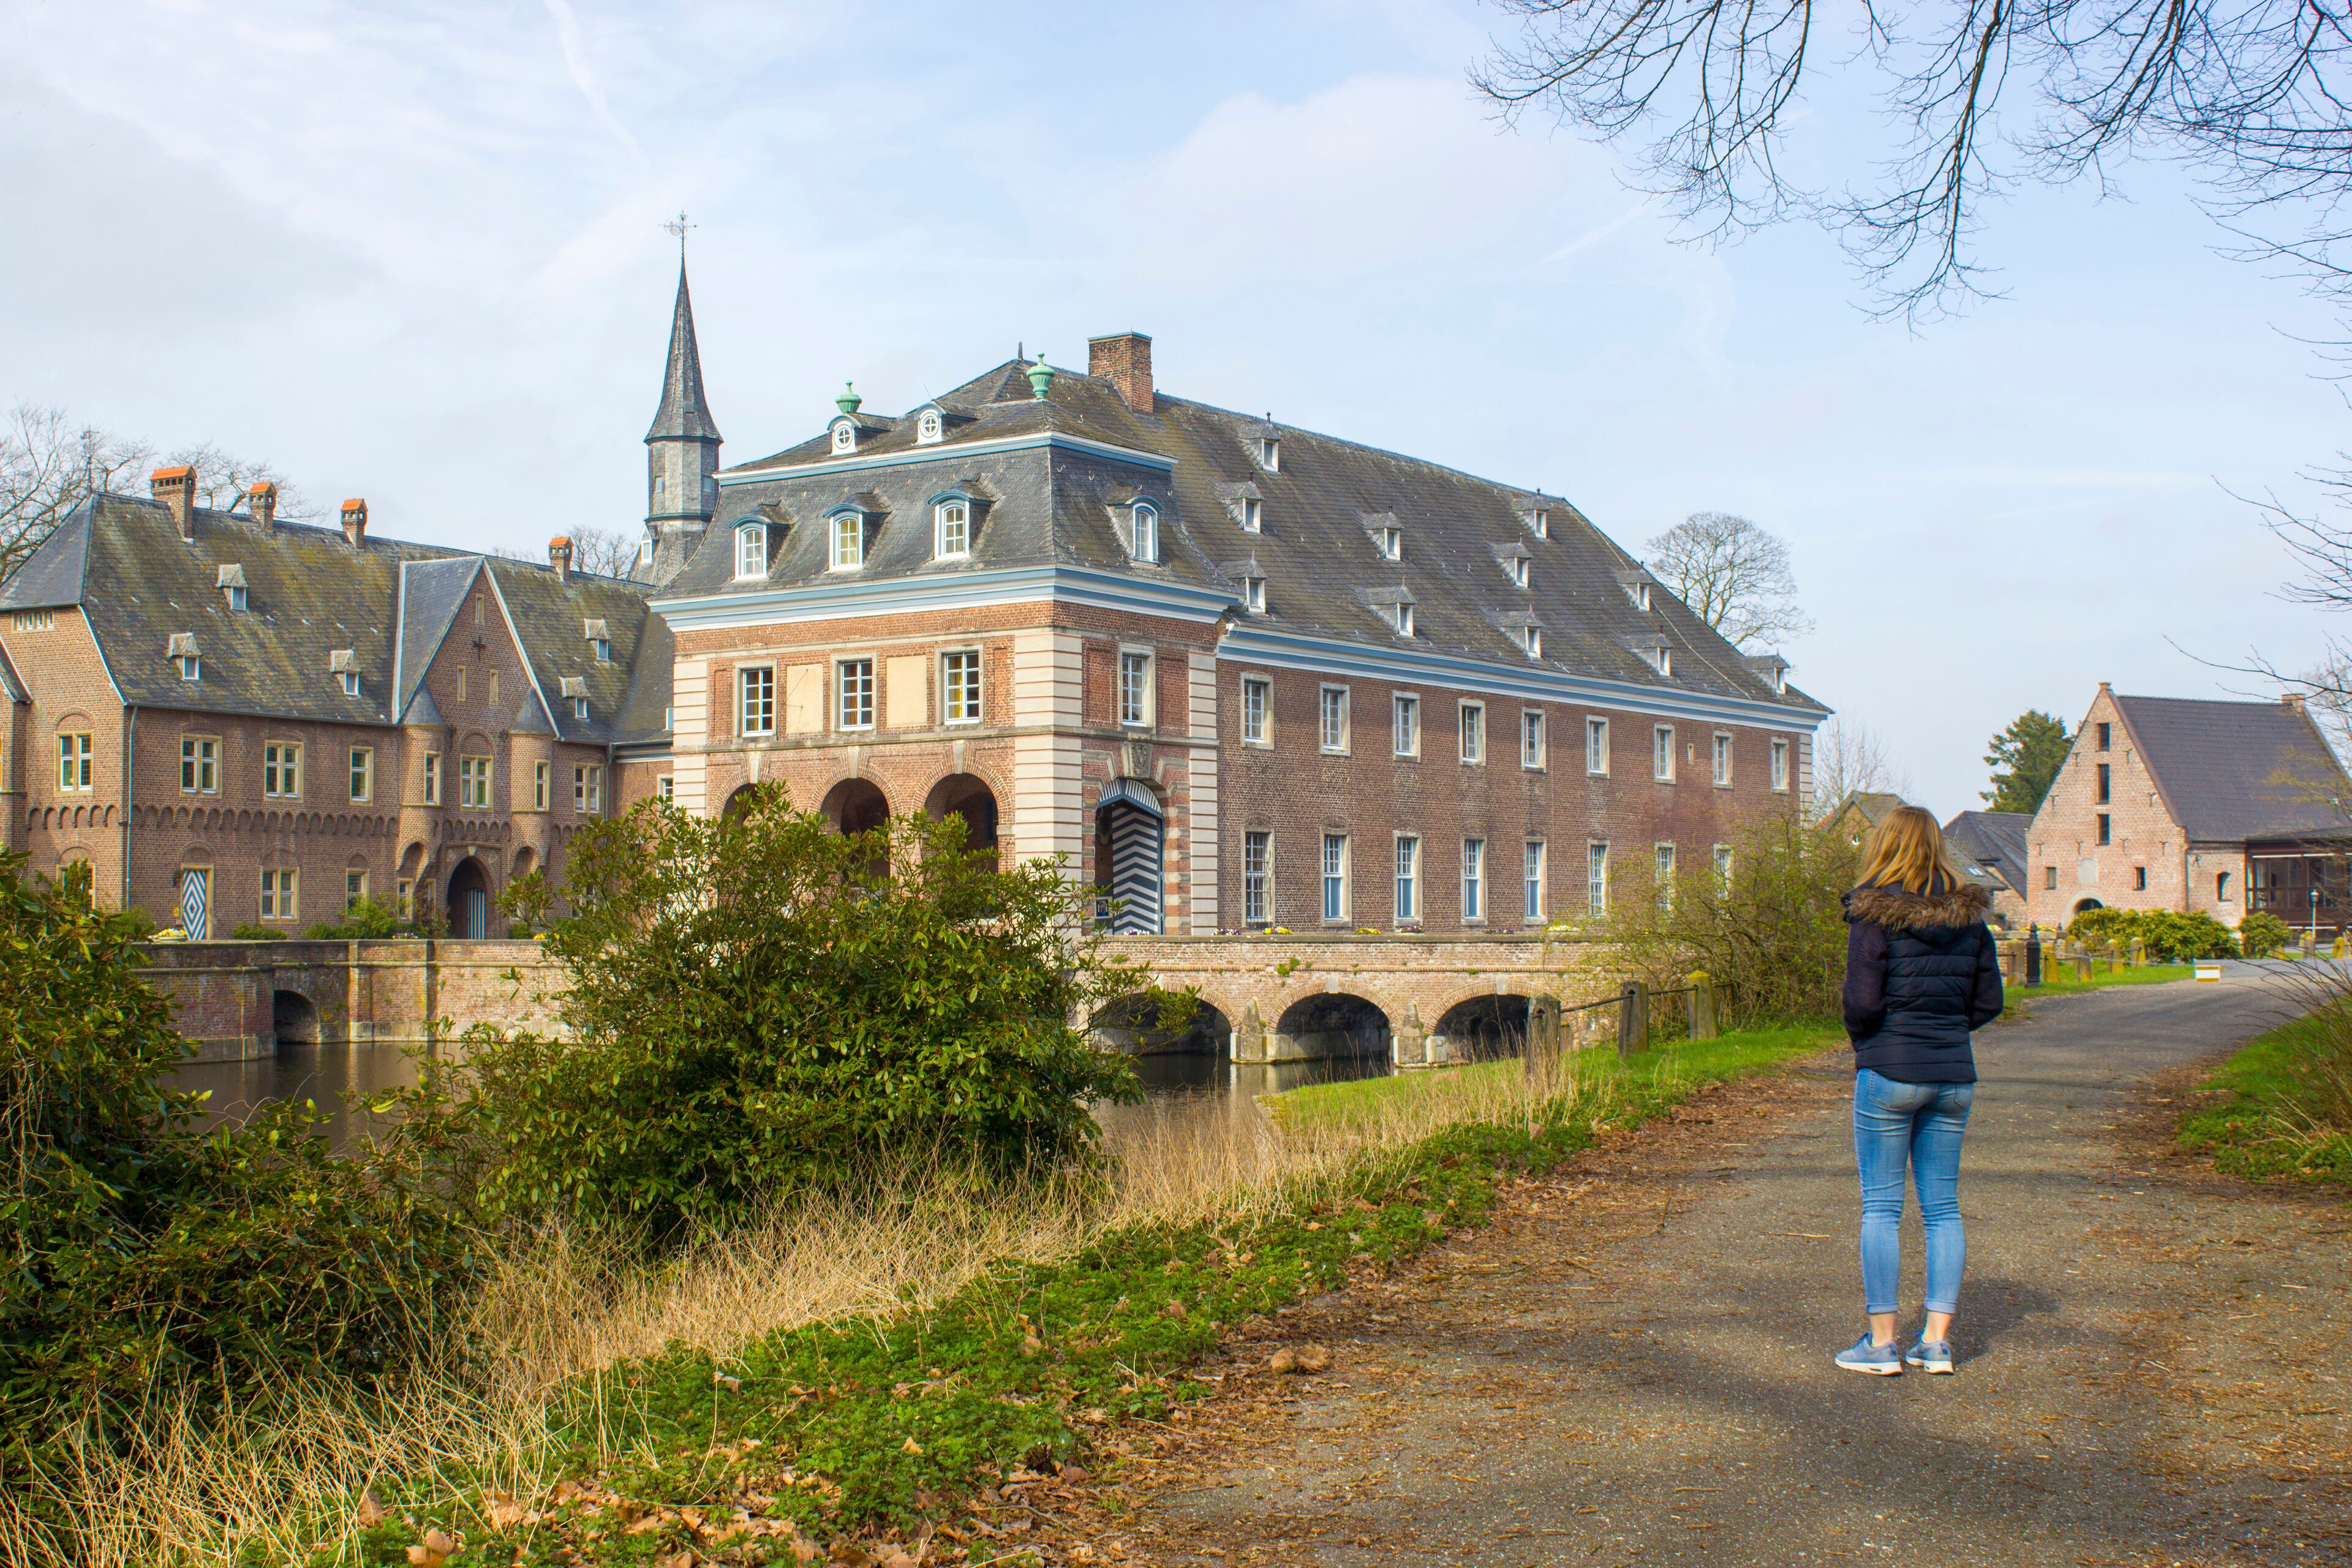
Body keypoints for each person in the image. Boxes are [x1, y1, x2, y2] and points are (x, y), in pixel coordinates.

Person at [1833, 805, 2002, 1376]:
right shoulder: (1970, 919)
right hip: (1953, 1075)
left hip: (1889, 1070)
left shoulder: (1872, 913)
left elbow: (1861, 1002)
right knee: (1943, 1208)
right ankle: (1935, 1343)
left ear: (1884, 845)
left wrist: (1871, 1042)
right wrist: (1947, 1032)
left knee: (1882, 1207)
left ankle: (1881, 1345)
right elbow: (1990, 1001)